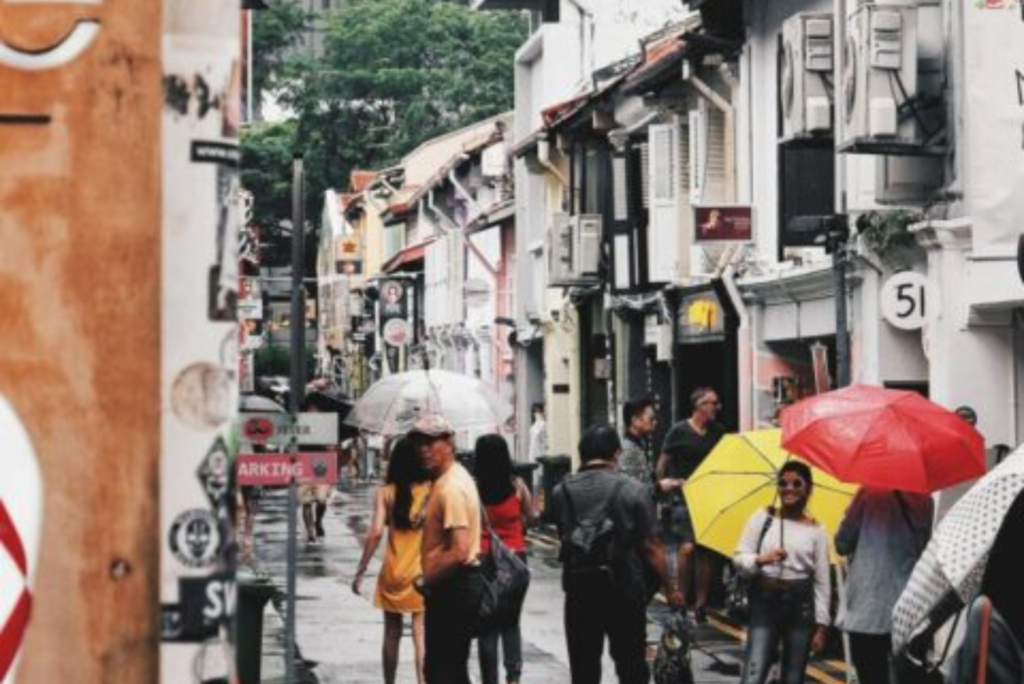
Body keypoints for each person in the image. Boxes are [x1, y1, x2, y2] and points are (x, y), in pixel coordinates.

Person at [549, 425, 682, 684]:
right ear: (617, 453)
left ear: (582, 454)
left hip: (579, 591)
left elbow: (565, 534)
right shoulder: (633, 490)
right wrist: (672, 588)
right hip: (624, 592)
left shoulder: (559, 493)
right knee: (631, 667)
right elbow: (652, 547)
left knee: (584, 670)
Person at [733, 461, 831, 684]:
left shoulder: (817, 530)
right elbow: (738, 558)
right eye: (783, 483)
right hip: (764, 602)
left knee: (794, 677)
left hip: (801, 607)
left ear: (809, 489)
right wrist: (760, 560)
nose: (789, 488)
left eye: (797, 483)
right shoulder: (763, 517)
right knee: (753, 674)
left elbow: (822, 581)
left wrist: (822, 627)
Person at [410, 414, 483, 684]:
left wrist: (426, 576)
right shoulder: (448, 479)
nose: (423, 449)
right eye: (419, 443)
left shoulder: (451, 486)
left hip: (453, 588)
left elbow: (460, 550)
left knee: (442, 671)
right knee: (450, 668)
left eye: (431, 442)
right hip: (453, 586)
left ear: (449, 443)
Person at [834, 488, 933, 684]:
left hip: (868, 607)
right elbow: (923, 549)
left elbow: (842, 543)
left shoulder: (868, 493)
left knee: (871, 676)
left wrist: (849, 514)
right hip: (907, 608)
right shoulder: (925, 501)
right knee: (906, 676)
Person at [352, 438, 431, 684]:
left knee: (391, 633)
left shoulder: (385, 493)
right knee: (421, 634)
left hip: (392, 572)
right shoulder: (430, 490)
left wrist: (361, 570)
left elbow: (375, 533)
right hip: (421, 574)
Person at [655, 386, 725, 621]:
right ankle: (682, 598)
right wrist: (662, 489)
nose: (716, 407)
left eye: (716, 403)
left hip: (709, 497)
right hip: (683, 497)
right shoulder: (679, 431)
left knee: (705, 552)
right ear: (699, 406)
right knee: (687, 548)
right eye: (712, 403)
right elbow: (662, 463)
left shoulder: (718, 432)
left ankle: (701, 604)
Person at [474, 434, 536, 684]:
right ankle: (514, 678)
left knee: (486, 625)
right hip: (515, 559)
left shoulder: (472, 487)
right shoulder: (518, 486)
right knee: (511, 622)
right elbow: (531, 519)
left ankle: (490, 680)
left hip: (483, 559)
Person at [619, 397, 658, 499]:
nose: (655, 423)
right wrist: (661, 487)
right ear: (635, 420)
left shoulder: (639, 444)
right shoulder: (628, 450)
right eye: (651, 419)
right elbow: (633, 491)